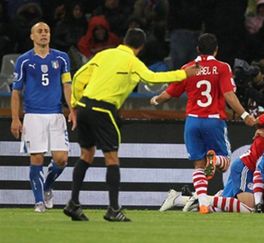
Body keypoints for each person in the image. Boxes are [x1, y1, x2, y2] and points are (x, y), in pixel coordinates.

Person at [63, 28, 200, 222]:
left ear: (125, 40)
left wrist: (75, 105)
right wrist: (183, 74)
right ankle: (113, 209)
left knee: (86, 155)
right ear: (141, 47)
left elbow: (78, 78)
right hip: (103, 110)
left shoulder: (104, 54)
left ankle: (73, 203)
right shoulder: (133, 62)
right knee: (112, 159)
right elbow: (153, 78)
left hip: (84, 107)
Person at [150, 33, 255, 214]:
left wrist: (155, 101)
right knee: (226, 162)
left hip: (192, 121)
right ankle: (214, 161)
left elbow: (169, 94)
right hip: (213, 120)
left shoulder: (188, 68)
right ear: (216, 50)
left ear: (197, 49)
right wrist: (245, 114)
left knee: (198, 164)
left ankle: (204, 203)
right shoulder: (222, 67)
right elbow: (229, 95)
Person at [10, 22, 74, 213]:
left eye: (46, 31)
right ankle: (38, 202)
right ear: (32, 36)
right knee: (36, 158)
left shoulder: (62, 58)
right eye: (40, 31)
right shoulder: (24, 60)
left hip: (55, 114)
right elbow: (16, 92)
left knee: (61, 159)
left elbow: (67, 85)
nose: (44, 34)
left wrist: (72, 109)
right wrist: (15, 118)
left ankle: (47, 187)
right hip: (33, 116)